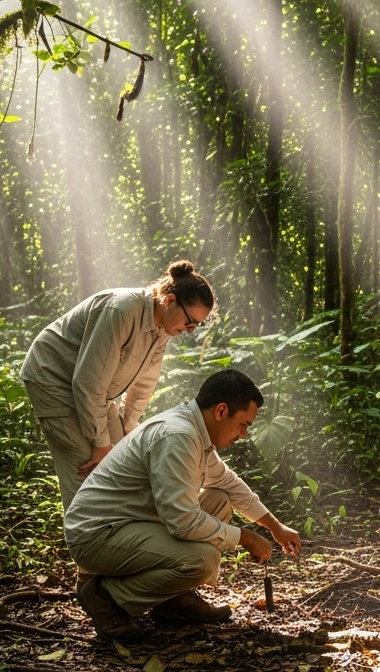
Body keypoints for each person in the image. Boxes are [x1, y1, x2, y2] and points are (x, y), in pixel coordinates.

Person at [64, 369, 303, 640]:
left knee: (218, 499)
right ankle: (105, 598)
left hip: (129, 525)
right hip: (98, 536)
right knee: (202, 560)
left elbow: (229, 484)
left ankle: (172, 601)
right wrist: (245, 538)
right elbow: (183, 521)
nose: (244, 435)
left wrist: (274, 527)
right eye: (244, 424)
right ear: (221, 411)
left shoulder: (195, 432)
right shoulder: (178, 435)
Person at [20, 260, 214, 513]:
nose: (190, 330)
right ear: (169, 301)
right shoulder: (121, 310)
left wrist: (126, 423)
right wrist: (100, 443)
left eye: (197, 325)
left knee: (121, 462)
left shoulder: (164, 327)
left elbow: (146, 379)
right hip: (53, 380)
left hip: (95, 392)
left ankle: (117, 539)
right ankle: (87, 542)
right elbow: (88, 382)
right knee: (88, 470)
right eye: (190, 321)